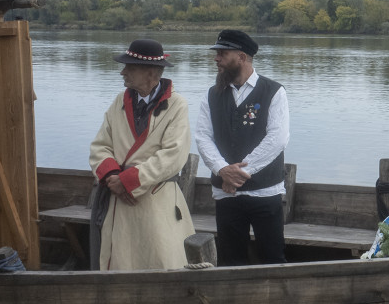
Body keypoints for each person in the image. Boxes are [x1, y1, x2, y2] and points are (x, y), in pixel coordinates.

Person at [89, 38, 195, 270]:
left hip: (155, 199)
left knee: (161, 262)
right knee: (120, 263)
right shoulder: (119, 102)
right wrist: (112, 178)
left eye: (130, 68)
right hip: (118, 199)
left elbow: (173, 155)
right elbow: (100, 146)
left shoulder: (177, 105)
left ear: (151, 74)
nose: (122, 72)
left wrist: (128, 181)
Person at [196, 29, 290, 265]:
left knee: (272, 258)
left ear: (242, 57)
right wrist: (222, 169)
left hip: (264, 191)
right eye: (217, 53)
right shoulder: (211, 95)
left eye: (222, 53)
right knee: (229, 260)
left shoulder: (274, 91)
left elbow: (277, 138)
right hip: (226, 193)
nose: (216, 58)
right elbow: (203, 137)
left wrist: (238, 173)